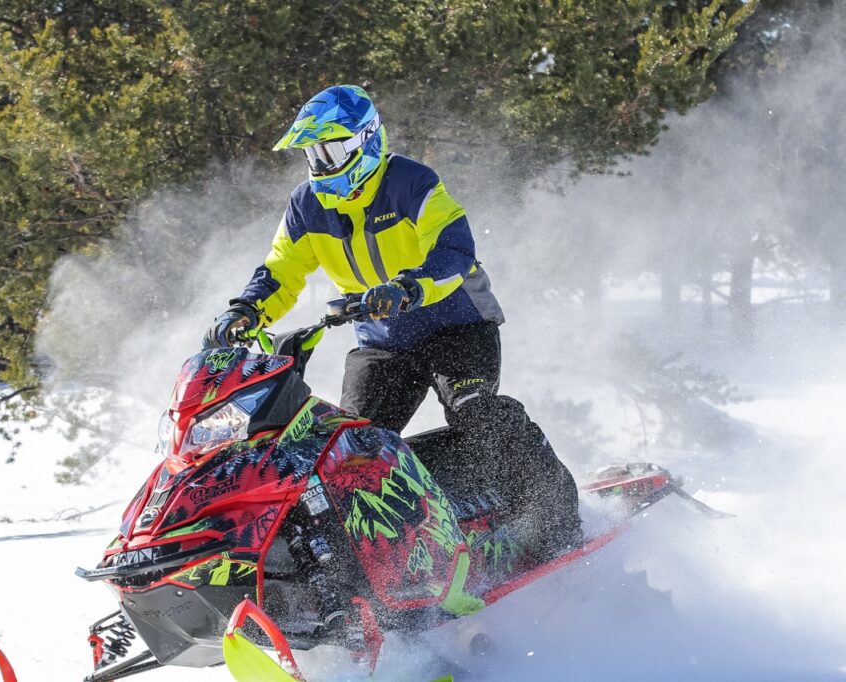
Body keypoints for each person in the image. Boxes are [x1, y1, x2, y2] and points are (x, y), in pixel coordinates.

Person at [203, 85, 581, 560]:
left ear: (366, 141)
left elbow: (455, 249)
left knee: (475, 411)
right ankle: (385, 563)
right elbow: (281, 269)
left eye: (332, 149)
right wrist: (247, 310)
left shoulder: (411, 182)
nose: (321, 163)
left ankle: (556, 517)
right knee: (349, 448)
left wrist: (409, 287)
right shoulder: (307, 205)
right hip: (383, 342)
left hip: (456, 324)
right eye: (312, 153)